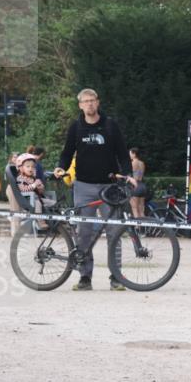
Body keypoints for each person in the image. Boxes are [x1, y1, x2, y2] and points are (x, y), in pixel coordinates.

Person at [53, 88, 134, 291]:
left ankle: (116, 277)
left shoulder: (110, 125)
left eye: (92, 100)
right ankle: (84, 277)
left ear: (98, 103)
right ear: (80, 105)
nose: (89, 104)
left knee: (114, 231)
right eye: (85, 101)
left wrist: (128, 173)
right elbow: (67, 152)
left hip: (109, 186)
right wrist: (60, 166)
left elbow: (123, 153)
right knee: (83, 233)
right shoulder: (76, 127)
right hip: (83, 186)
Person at [129, 148, 147, 218]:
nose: (129, 155)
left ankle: (137, 228)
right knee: (141, 210)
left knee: (135, 209)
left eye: (130, 153)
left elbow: (130, 176)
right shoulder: (142, 163)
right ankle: (144, 228)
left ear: (134, 154)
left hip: (135, 186)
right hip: (142, 185)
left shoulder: (133, 163)